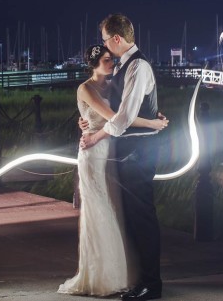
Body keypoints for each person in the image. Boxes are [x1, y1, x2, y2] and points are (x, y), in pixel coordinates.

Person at [59, 44, 168, 297]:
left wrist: (153, 113)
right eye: (107, 60)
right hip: (94, 153)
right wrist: (153, 123)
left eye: (112, 59)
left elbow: (130, 109)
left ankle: (125, 273)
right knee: (101, 212)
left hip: (113, 152)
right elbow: (116, 117)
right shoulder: (86, 88)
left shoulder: (112, 84)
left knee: (116, 211)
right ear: (95, 64)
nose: (112, 64)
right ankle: (102, 276)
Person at [80, 13, 163, 301]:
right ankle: (140, 279)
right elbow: (121, 109)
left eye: (105, 39)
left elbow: (124, 117)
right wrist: (90, 122)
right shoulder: (125, 66)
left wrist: (96, 136)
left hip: (139, 151)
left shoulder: (137, 66)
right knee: (130, 217)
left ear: (116, 39)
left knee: (142, 218)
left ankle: (152, 285)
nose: (104, 45)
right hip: (129, 151)